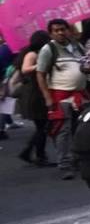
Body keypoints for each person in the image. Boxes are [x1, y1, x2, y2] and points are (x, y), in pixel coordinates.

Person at [35, 19, 89, 180]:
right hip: (60, 96)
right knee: (63, 131)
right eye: (56, 30)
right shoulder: (48, 49)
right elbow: (40, 74)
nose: (60, 32)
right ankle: (65, 164)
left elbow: (86, 65)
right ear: (51, 33)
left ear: (68, 30)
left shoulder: (78, 46)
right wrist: (47, 97)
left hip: (81, 95)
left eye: (63, 29)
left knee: (82, 128)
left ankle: (77, 159)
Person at [15, 31, 53, 166]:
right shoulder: (32, 54)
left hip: (36, 93)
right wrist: (41, 64)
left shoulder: (37, 53)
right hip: (35, 94)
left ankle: (32, 152)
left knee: (42, 126)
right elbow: (25, 69)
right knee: (42, 126)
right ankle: (39, 155)